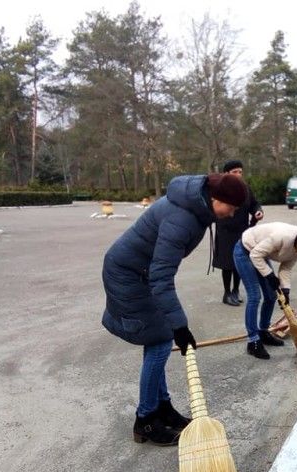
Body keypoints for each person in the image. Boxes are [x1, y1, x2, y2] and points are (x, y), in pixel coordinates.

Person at [101, 173, 248, 446]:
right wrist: (180, 326)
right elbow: (161, 277)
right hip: (127, 275)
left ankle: (162, 408)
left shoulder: (197, 210)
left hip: (140, 272)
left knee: (157, 339)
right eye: (233, 207)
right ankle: (146, 419)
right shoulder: (182, 219)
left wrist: (175, 325)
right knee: (160, 342)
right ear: (215, 199)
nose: (233, 213)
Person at [233, 222, 297, 360]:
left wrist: (286, 290)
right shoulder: (282, 236)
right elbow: (255, 255)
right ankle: (253, 341)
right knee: (254, 296)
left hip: (260, 254)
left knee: (271, 296)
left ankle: (263, 332)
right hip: (245, 252)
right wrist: (269, 275)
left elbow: (286, 268)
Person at [212, 160, 264, 306]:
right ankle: (226, 293)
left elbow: (254, 204)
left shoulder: (245, 189)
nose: (238, 174)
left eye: (240, 172)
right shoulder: (220, 189)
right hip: (225, 231)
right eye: (235, 172)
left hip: (242, 231)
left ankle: (236, 290)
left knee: (239, 262)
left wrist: (258, 211)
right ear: (226, 173)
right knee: (227, 263)